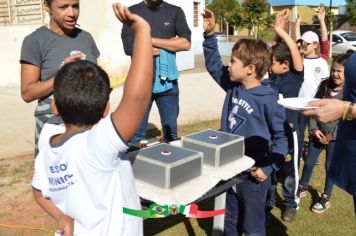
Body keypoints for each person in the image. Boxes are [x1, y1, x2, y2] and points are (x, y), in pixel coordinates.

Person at [31, 3, 153, 235]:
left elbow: (39, 191)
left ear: (54, 106)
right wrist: (143, 32)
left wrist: (62, 217)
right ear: (106, 109)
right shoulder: (98, 145)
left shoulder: (47, 144)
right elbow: (137, 97)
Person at [202, 9, 288, 235]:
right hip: (230, 170)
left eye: (233, 61)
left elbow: (282, 141)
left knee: (252, 227)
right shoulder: (233, 87)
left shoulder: (269, 100)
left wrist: (268, 168)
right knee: (228, 222)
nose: (228, 65)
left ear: (250, 69)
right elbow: (212, 65)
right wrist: (209, 36)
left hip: (254, 177)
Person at [20, 0, 100, 156]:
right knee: (53, 176)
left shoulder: (86, 37)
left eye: (75, 6)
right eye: (63, 7)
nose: (72, 13)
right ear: (47, 6)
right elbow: (27, 93)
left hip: (89, 120)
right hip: (53, 122)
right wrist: (62, 75)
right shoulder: (35, 41)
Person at [121, 0, 191, 144]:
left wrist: (148, 40)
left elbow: (185, 43)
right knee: (135, 135)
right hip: (141, 82)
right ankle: (133, 164)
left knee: (171, 134)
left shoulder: (175, 11)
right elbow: (129, 48)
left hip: (168, 83)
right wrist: (169, 44)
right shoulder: (132, 12)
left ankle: (171, 164)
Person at [302, 52, 356, 215]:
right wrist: (314, 129)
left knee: (329, 167)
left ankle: (326, 195)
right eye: (333, 70)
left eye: (340, 71)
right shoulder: (325, 86)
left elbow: (344, 113)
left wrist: (346, 109)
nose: (335, 74)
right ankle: (302, 186)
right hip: (346, 151)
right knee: (310, 163)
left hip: (334, 139)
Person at [263, 9, 304, 223]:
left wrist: (283, 31)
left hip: (290, 135)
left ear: (285, 66)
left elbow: (293, 54)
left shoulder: (294, 76)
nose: (268, 66)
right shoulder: (270, 77)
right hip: (270, 134)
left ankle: (290, 204)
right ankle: (267, 207)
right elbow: (277, 52)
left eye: (272, 63)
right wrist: (277, 30)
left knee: (289, 173)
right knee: (269, 173)